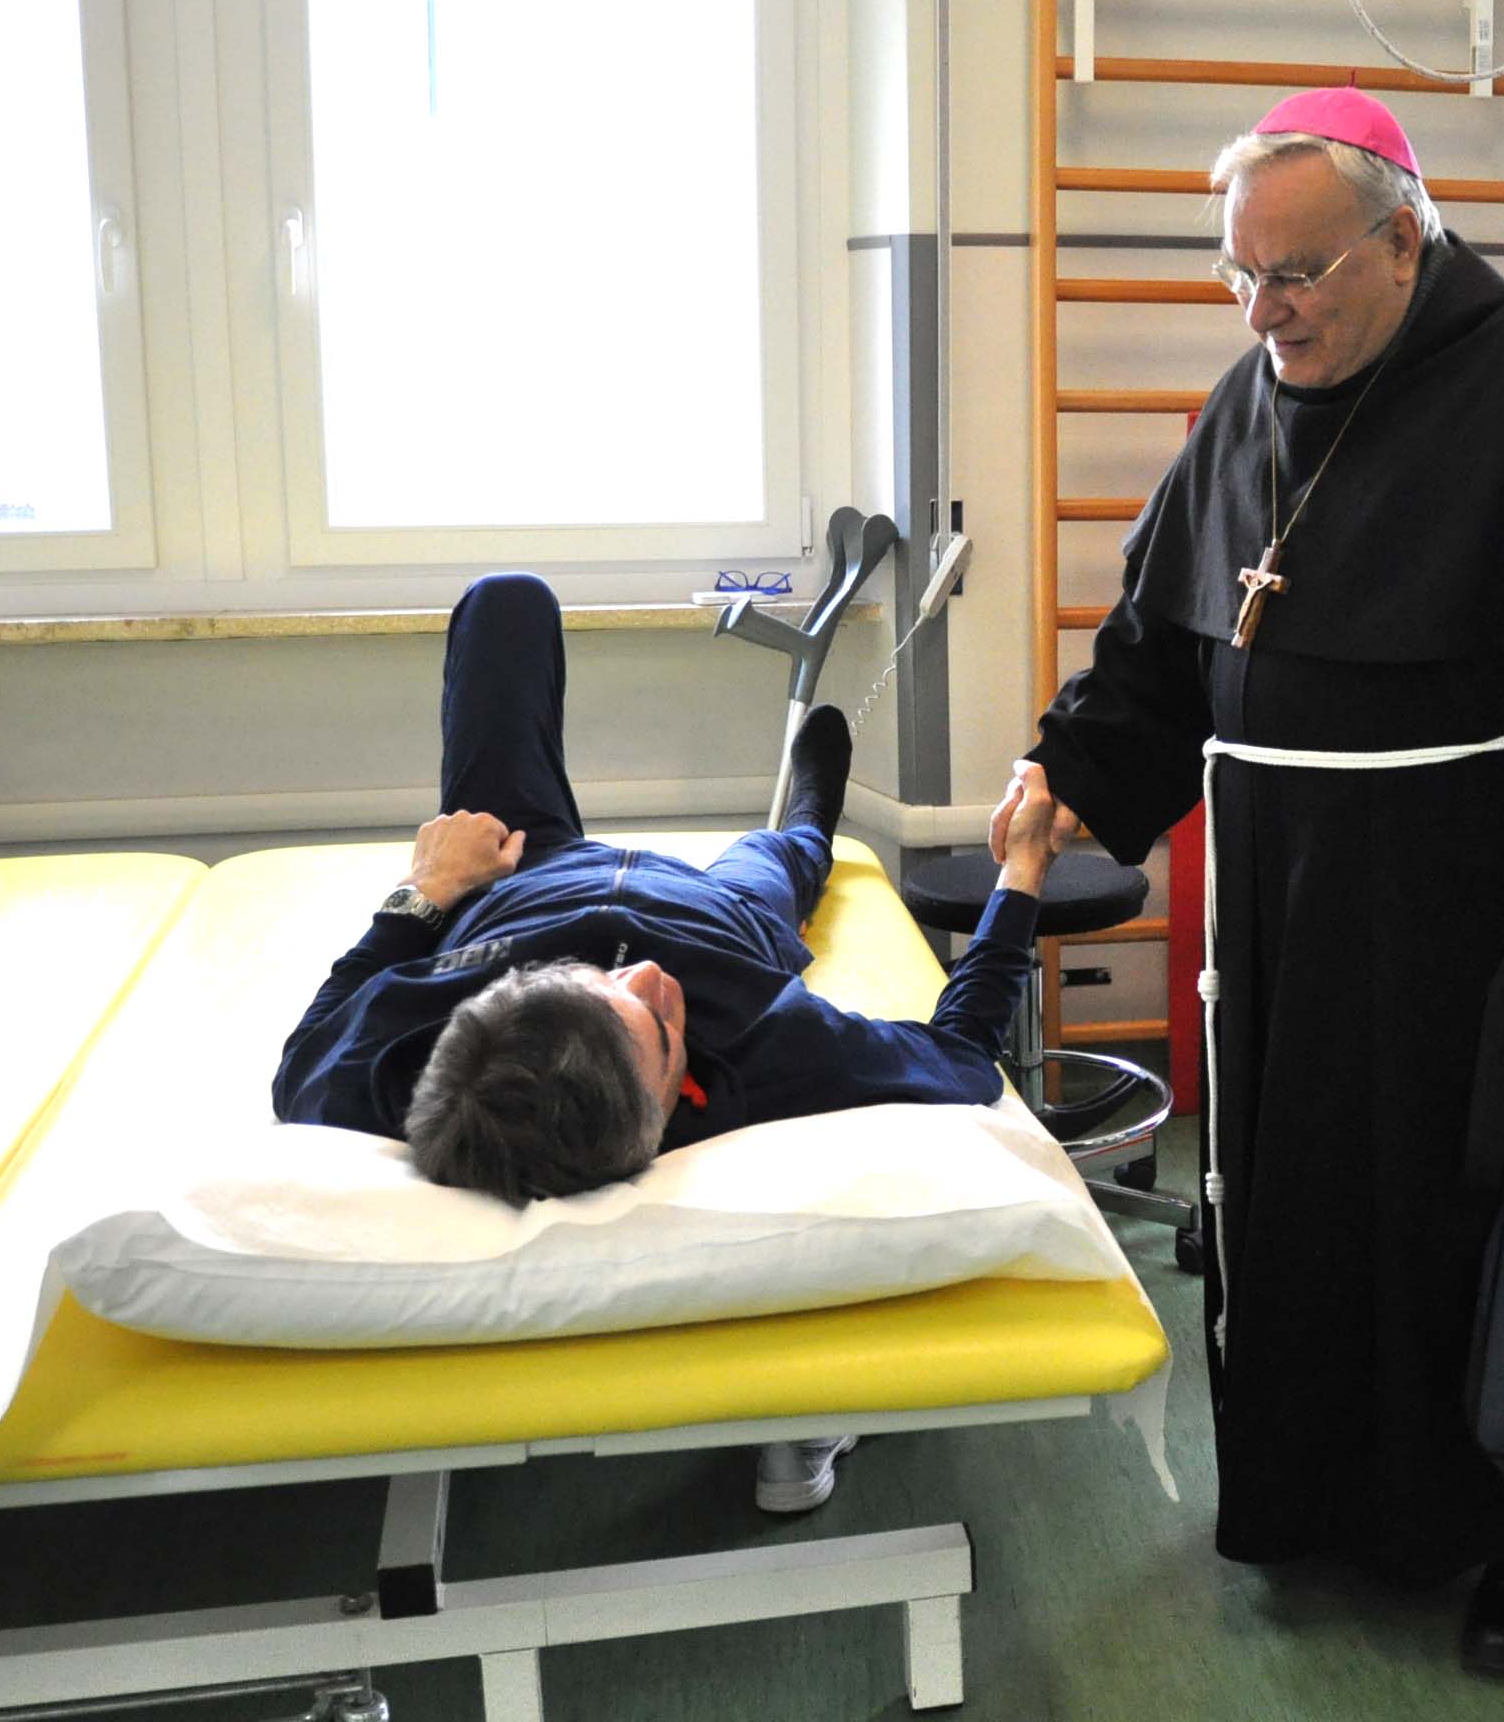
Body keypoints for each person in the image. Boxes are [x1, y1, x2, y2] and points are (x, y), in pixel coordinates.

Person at [993, 88, 1504, 1678]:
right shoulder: (1245, 406)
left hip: (1485, 922)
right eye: (1240, 275)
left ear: (1404, 242)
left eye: (1297, 273)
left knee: (1493, 1224)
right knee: (1307, 1215)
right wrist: (1068, 765)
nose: (1264, 311)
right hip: (1286, 911)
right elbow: (1169, 641)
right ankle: (1324, 1497)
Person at [275, 571, 1073, 1510]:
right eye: (659, 1030)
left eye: (603, 985)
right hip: (721, 917)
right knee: (785, 857)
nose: (648, 975)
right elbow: (963, 1054)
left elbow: (307, 1046)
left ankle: (580, 938)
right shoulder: (772, 1048)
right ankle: (813, 810)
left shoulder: (397, 1061)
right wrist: (1025, 867)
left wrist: (428, 888)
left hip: (519, 883)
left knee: (506, 603)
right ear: (660, 1115)